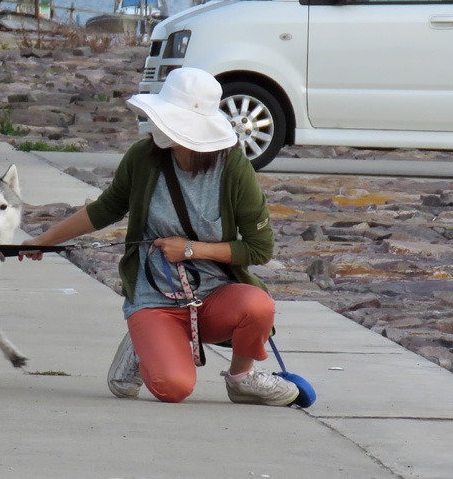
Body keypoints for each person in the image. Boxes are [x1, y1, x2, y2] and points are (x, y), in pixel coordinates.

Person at [22, 67, 298, 406]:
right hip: (155, 296)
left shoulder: (233, 168)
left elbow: (259, 248)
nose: (157, 127)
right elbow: (106, 208)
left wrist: (193, 250)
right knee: (174, 388)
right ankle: (143, 344)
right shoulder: (143, 157)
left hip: (214, 294)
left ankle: (242, 378)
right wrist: (44, 240)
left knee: (257, 305)